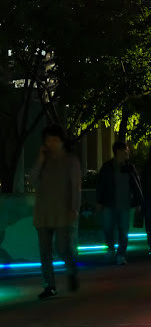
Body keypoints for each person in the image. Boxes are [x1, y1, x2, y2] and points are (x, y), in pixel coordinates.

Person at [30, 125, 81, 300]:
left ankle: (72, 270)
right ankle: (49, 285)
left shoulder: (70, 160)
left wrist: (74, 207)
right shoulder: (44, 160)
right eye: (48, 140)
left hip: (62, 211)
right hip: (43, 212)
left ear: (61, 141)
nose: (51, 143)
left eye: (54, 140)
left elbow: (75, 186)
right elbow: (33, 179)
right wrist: (40, 159)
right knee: (44, 251)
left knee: (61, 247)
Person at [96, 141, 143, 265]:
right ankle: (111, 248)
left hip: (124, 204)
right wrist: (99, 201)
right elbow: (101, 185)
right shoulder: (107, 167)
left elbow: (136, 184)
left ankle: (120, 254)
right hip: (109, 203)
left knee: (123, 230)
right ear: (117, 152)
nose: (126, 153)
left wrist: (138, 202)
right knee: (108, 227)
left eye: (127, 151)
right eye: (124, 151)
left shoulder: (130, 167)